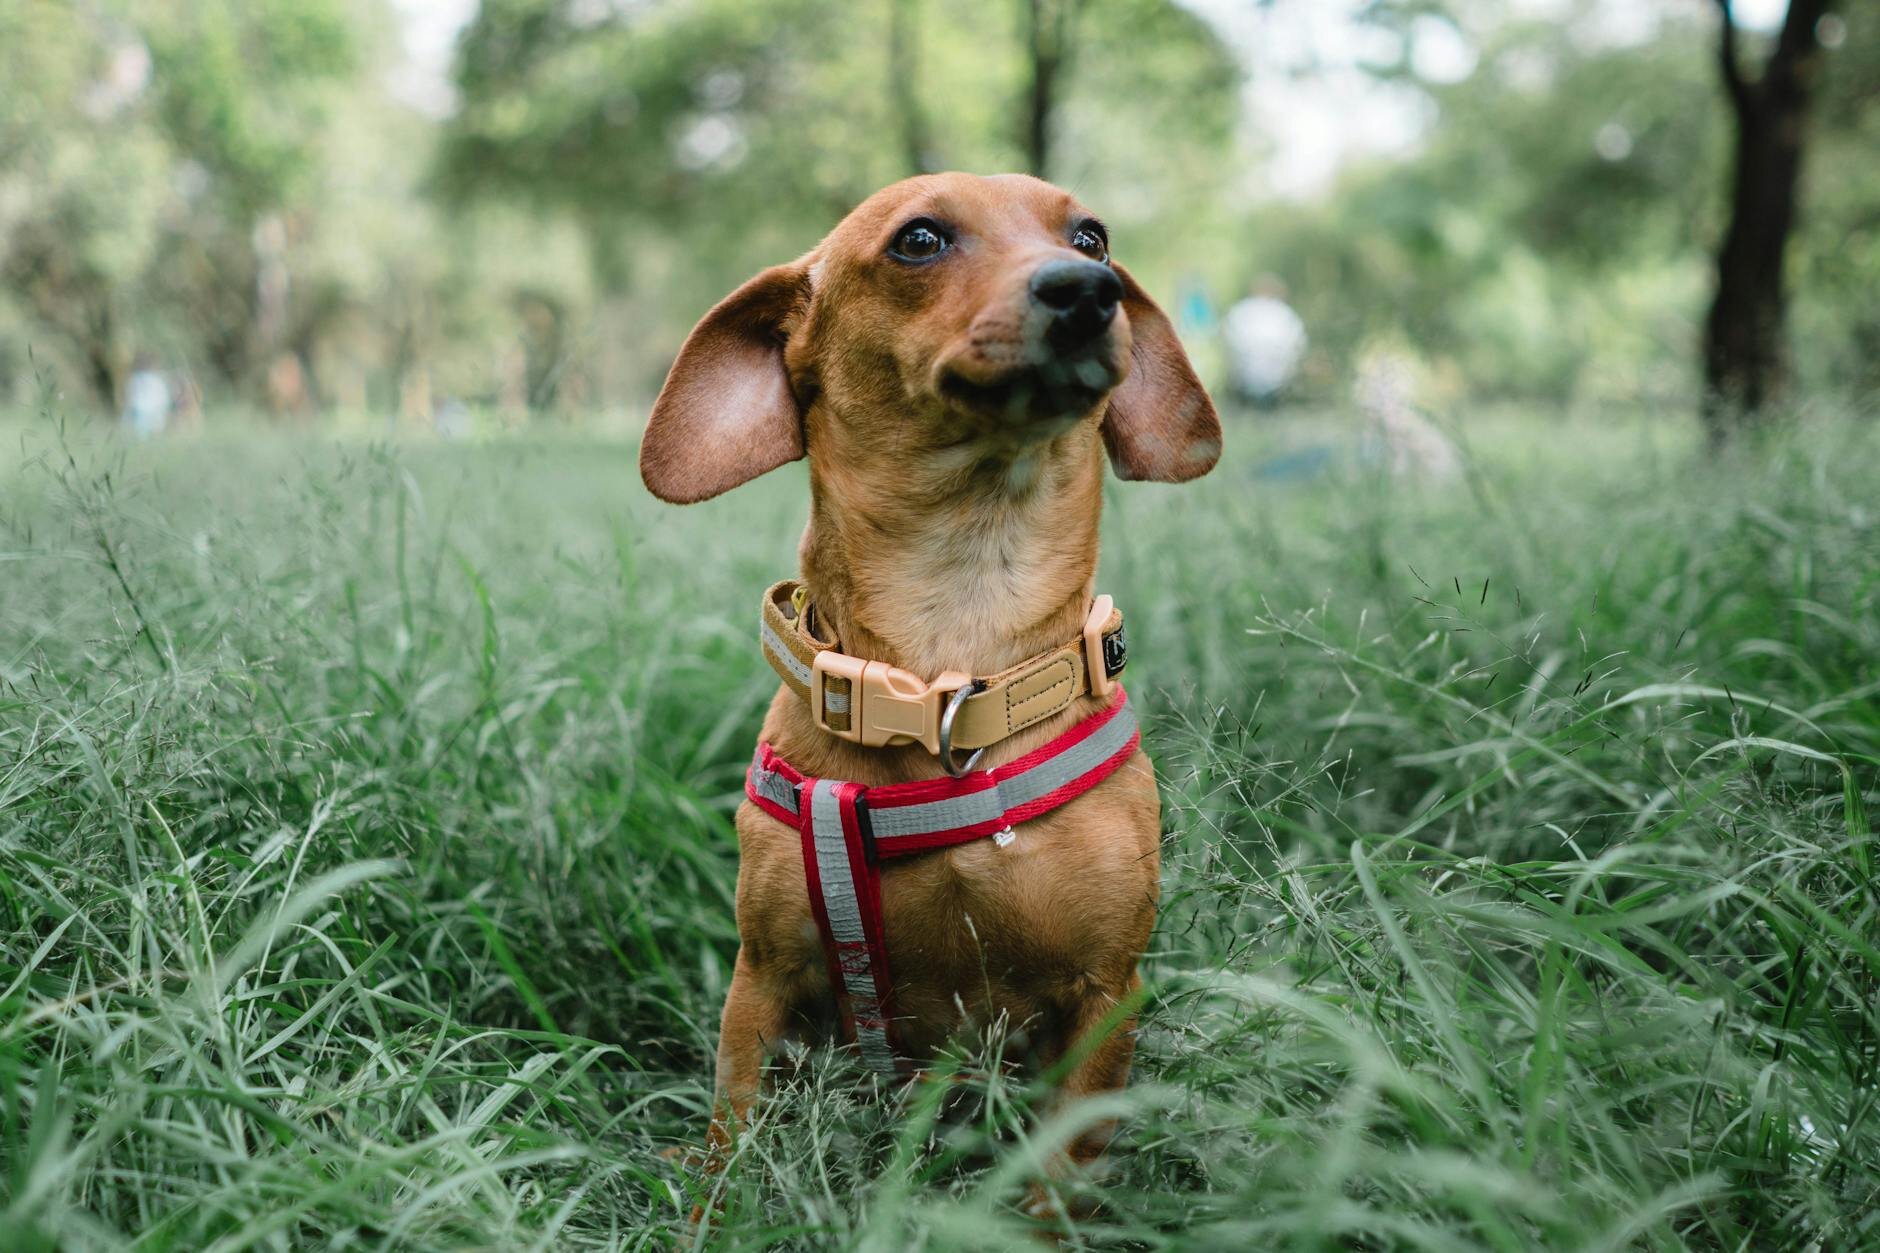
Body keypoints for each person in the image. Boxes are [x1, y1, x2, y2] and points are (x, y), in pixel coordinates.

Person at [1222, 275, 1306, 408]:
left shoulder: (1242, 310)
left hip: (1255, 370)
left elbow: (1230, 337)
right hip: (1268, 371)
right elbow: (1297, 341)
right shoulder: (1283, 312)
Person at [121, 353, 172, 439]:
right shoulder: (155, 379)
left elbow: (130, 395)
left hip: (143, 409)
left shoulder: (137, 378)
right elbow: (162, 397)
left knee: (142, 435)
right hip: (148, 409)